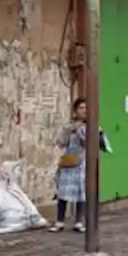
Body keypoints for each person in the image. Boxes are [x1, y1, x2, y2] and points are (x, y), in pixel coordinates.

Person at [49, 97, 97, 233]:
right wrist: (70, 132)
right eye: (81, 108)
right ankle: (60, 221)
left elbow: (96, 143)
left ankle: (79, 221)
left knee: (81, 193)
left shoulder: (92, 126)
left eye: (86, 108)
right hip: (69, 162)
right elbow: (60, 142)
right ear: (75, 111)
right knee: (63, 192)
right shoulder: (69, 126)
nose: (84, 111)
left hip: (83, 163)